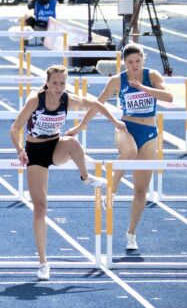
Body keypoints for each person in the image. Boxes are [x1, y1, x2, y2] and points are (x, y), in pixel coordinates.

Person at [10, 65, 123, 281]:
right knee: (40, 208)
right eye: (55, 83)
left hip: (56, 148)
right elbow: (14, 128)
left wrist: (115, 121)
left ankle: (86, 177)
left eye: (63, 83)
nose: (59, 87)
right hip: (36, 153)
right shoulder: (36, 100)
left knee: (72, 142)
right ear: (47, 82)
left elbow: (96, 103)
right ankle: (43, 263)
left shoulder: (67, 100)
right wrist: (19, 150)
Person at [66, 44, 173, 253]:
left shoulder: (152, 76)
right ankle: (111, 190)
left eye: (137, 62)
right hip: (126, 128)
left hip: (149, 133)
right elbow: (98, 103)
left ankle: (131, 233)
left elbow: (169, 97)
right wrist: (80, 126)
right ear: (124, 62)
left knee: (140, 190)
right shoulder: (117, 80)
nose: (134, 66)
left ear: (143, 60)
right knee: (129, 152)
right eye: (130, 62)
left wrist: (144, 88)